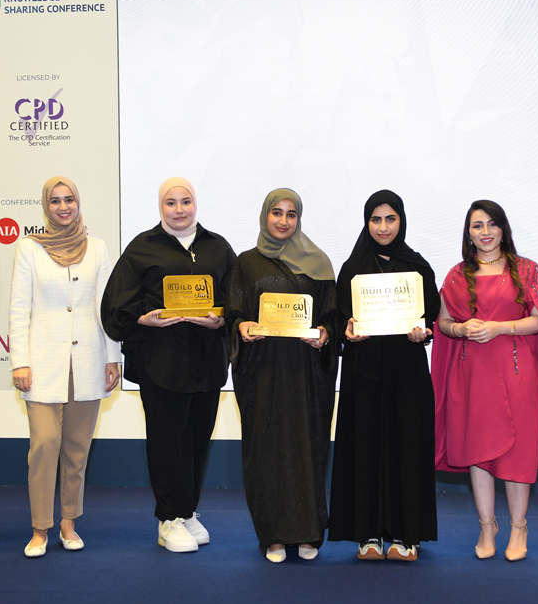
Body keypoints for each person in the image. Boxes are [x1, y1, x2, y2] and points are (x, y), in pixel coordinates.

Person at [432, 200, 538, 562]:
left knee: (517, 455)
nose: (485, 232)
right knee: (478, 456)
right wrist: (461, 328)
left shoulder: (525, 269)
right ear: (468, 233)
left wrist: (500, 328)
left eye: (492, 224)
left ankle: (518, 527)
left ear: (503, 229)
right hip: (471, 378)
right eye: (477, 225)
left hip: (518, 375)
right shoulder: (456, 274)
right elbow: (443, 323)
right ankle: (486, 527)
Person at [101, 177, 235, 553]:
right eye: (171, 203)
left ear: (196, 204)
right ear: (160, 207)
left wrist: (221, 319)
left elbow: (234, 298)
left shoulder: (218, 247)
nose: (179, 210)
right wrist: (144, 318)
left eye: (186, 202)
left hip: (207, 363)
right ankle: (167, 519)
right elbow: (115, 304)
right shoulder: (142, 249)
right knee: (166, 442)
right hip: (160, 363)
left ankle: (188, 512)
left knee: (196, 440)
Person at [9, 176, 121, 558]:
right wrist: (19, 362)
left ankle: (68, 523)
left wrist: (112, 356)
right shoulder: (29, 248)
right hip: (41, 364)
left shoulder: (98, 247)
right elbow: (19, 308)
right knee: (44, 444)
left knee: (77, 449)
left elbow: (106, 307)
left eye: (69, 199)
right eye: (55, 201)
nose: (62, 207)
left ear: (78, 203)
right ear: (45, 206)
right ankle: (39, 527)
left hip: (88, 360)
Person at [226, 188, 337, 563]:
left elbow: (331, 317)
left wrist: (324, 335)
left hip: (306, 375)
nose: (284, 221)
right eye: (277, 213)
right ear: (265, 216)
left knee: (307, 447)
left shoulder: (318, 263)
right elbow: (233, 311)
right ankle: (272, 535)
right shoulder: (246, 263)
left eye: (291, 214)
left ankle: (307, 532)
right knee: (266, 449)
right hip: (264, 372)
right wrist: (241, 326)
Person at [328, 190, 440, 562]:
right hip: (365, 374)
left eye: (390, 219)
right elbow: (340, 318)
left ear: (401, 221)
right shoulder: (352, 267)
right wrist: (347, 331)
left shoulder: (418, 266)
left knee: (407, 449)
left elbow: (431, 317)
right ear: (367, 223)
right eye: (376, 219)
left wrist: (422, 333)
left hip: (407, 372)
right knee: (365, 448)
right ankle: (368, 534)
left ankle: (407, 535)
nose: (383, 227)